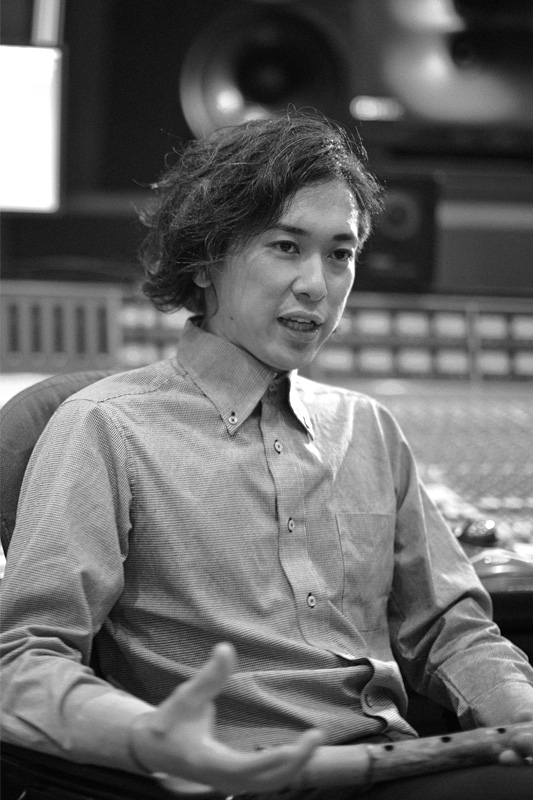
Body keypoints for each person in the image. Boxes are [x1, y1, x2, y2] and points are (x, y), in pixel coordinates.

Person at [1, 112, 533, 800]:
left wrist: (517, 712)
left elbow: (453, 630)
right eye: (286, 246)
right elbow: (23, 656)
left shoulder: (368, 428)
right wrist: (147, 737)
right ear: (204, 260)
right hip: (236, 782)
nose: (317, 284)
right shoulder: (105, 426)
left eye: (340, 254)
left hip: (393, 764)